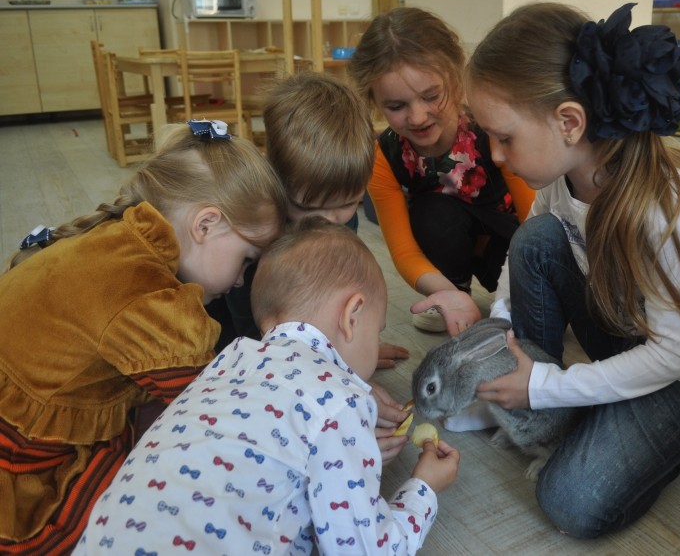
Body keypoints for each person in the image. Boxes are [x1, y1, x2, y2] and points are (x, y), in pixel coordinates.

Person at [457, 2, 680, 538]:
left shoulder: (672, 211)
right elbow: (524, 256)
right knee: (535, 238)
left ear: (569, 122)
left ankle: (642, 436)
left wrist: (550, 386)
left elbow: (672, 356)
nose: (496, 155)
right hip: (629, 329)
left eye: (504, 137)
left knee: (570, 502)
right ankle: (539, 393)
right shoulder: (561, 176)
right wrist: (499, 332)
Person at [74, 217, 460, 555]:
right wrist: (423, 489)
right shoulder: (340, 399)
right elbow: (364, 548)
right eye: (376, 332)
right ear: (352, 315)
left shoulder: (229, 358)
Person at [0, 120, 287, 554]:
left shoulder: (123, 236)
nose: (241, 281)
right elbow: (217, 410)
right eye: (247, 259)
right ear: (206, 225)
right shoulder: (149, 296)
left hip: (23, 411)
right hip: (23, 460)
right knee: (156, 497)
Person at [208, 71, 413, 461]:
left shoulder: (326, 212)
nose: (330, 221)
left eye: (349, 204)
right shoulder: (254, 238)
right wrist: (344, 382)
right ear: (275, 181)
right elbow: (258, 341)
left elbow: (327, 292)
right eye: (308, 208)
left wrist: (354, 343)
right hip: (234, 349)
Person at [347, 6, 535, 334]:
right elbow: (404, 250)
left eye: (431, 96)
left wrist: (530, 283)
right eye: (396, 106)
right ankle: (453, 292)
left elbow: (534, 220)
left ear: (455, 78)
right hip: (446, 247)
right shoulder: (383, 156)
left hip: (510, 247)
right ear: (375, 101)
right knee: (431, 211)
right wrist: (447, 293)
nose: (418, 117)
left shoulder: (489, 127)